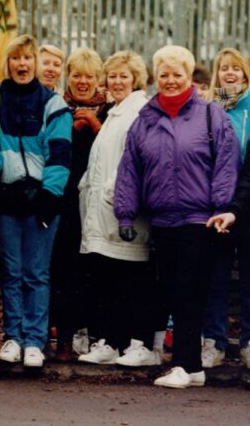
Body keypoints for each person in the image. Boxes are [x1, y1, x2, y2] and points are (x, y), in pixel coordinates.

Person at [115, 45, 240, 389]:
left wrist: (220, 208)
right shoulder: (146, 119)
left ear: (189, 77)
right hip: (163, 221)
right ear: (157, 77)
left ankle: (183, 364)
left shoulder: (211, 115)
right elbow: (130, 170)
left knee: (189, 292)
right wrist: (125, 214)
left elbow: (227, 165)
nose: (170, 81)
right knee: (173, 291)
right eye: (164, 74)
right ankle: (194, 368)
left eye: (178, 74)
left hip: (201, 220)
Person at [0, 34, 72, 369]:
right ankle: (13, 337)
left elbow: (60, 152)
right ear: (8, 62)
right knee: (12, 272)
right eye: (16, 58)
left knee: (37, 273)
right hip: (8, 196)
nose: (22, 64)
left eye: (27, 58)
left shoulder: (52, 103)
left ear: (36, 63)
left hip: (42, 197)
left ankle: (35, 340)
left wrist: (51, 193)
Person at [77, 51, 159, 367]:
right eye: (112, 76)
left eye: (124, 75)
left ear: (136, 78)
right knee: (109, 278)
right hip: (102, 212)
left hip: (123, 210)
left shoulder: (139, 111)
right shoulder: (115, 112)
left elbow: (133, 162)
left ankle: (138, 345)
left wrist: (115, 196)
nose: (117, 81)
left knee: (132, 279)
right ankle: (111, 341)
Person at [201, 48, 250, 371]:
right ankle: (215, 341)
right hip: (217, 205)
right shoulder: (209, 111)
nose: (229, 74)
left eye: (235, 69)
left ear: (244, 73)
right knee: (217, 276)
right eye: (223, 69)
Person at [49, 47, 110, 362]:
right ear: (67, 77)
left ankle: (97, 336)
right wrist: (70, 132)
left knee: (96, 268)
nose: (82, 81)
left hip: (101, 200)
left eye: (89, 76)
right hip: (67, 199)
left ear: (98, 78)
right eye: (76, 75)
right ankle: (64, 338)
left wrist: (96, 127)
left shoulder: (110, 110)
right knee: (65, 267)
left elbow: (116, 151)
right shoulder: (58, 107)